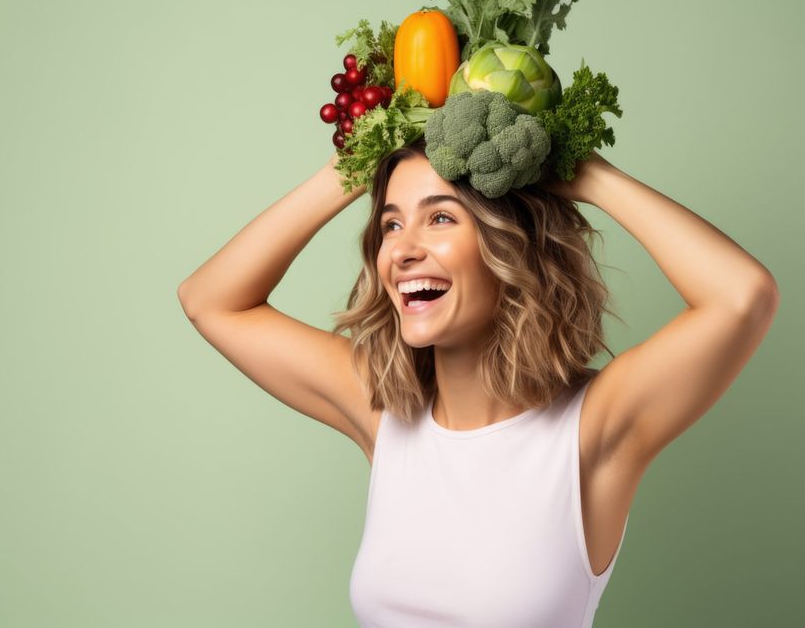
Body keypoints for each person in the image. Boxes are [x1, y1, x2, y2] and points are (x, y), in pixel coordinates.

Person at [176, 139, 779, 627]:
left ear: (507, 244)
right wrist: (353, 165)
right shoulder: (384, 411)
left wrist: (587, 173)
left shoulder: (593, 427)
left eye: (439, 217)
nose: (402, 251)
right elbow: (209, 300)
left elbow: (741, 297)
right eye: (390, 224)